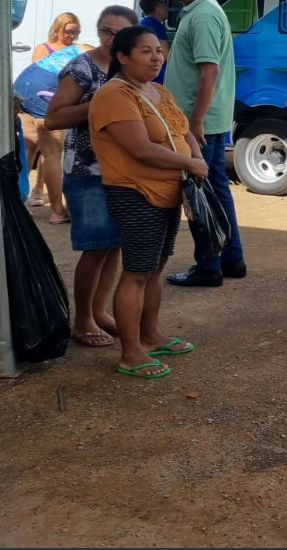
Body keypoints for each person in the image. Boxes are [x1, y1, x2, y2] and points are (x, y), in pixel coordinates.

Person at [89, 25, 208, 379]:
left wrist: (196, 160)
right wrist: (191, 163)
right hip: (136, 192)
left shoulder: (157, 90)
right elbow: (141, 149)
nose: (156, 57)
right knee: (137, 272)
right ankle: (130, 353)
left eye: (158, 50)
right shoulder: (115, 94)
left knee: (155, 268)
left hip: (170, 191)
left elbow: (183, 130)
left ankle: (151, 336)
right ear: (122, 57)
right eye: (145, 51)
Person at [44, 5, 139, 347]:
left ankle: (100, 312)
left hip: (123, 169)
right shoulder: (82, 67)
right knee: (96, 248)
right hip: (87, 170)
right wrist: (101, 102)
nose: (110, 39)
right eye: (104, 31)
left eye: (119, 33)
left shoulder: (130, 66)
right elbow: (54, 118)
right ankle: (82, 319)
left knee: (113, 246)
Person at [162, 0, 246, 286]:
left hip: (200, 124)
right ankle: (231, 258)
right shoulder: (200, 14)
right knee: (215, 191)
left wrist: (194, 123)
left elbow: (208, 71)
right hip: (205, 121)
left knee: (200, 194)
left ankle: (209, 265)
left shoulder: (204, 17)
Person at [24, 11, 91, 225]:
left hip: (24, 91)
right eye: (69, 31)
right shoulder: (86, 54)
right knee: (51, 152)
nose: (72, 35)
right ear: (58, 28)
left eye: (76, 32)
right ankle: (57, 211)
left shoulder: (76, 50)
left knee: (35, 151)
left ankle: (20, 201)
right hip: (43, 97)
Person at [139, 0, 171, 85]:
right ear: (158, 6)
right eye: (164, 4)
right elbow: (166, 55)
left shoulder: (142, 23)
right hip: (157, 79)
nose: (167, 8)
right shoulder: (156, 26)